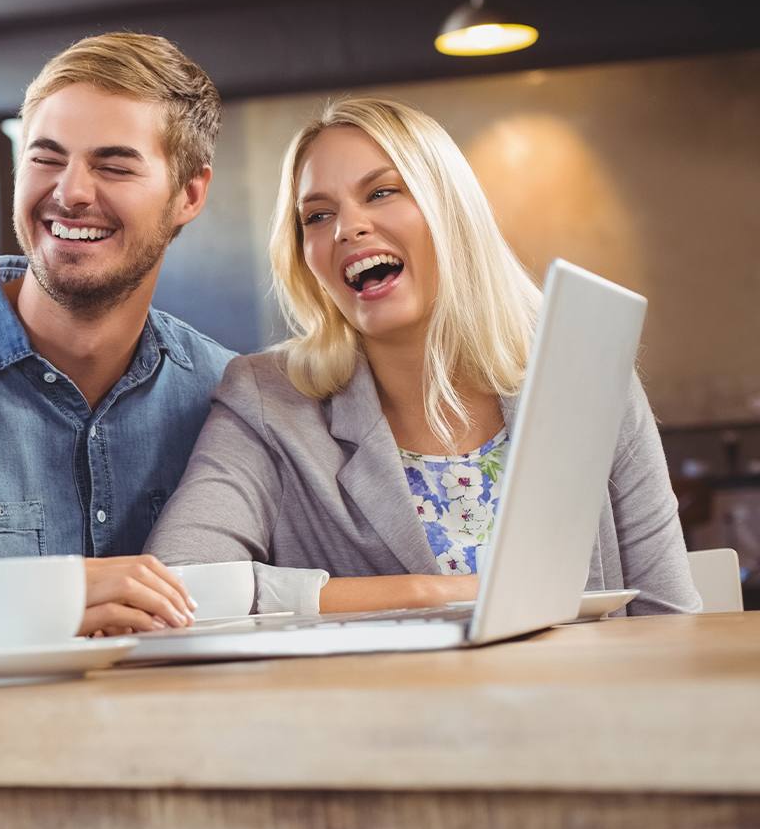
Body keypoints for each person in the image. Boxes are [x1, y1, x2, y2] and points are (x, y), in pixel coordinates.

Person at [144, 96, 700, 615]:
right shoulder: (268, 398)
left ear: (449, 210)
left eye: (382, 192)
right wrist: (426, 591)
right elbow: (181, 583)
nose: (348, 228)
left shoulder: (588, 380)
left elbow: (668, 618)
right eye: (316, 215)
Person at [0, 32, 237, 637]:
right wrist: (50, 606)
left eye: (113, 165)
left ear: (189, 194)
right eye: (46, 158)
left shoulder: (229, 400)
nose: (71, 192)